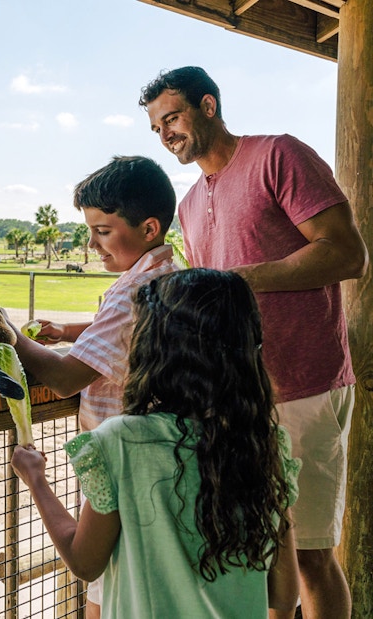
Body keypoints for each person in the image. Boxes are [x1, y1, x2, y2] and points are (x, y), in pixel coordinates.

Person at [139, 66, 369, 619]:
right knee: (262, 556)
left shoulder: (278, 156)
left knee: (311, 554)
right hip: (238, 398)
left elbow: (347, 254)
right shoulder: (191, 204)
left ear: (208, 105)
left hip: (305, 386)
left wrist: (241, 277)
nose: (165, 133)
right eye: (155, 127)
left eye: (172, 117)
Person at [12, 268, 302, 619]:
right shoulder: (265, 443)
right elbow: (284, 596)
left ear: (155, 349)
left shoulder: (121, 441)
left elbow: (84, 562)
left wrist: (36, 480)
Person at [9, 155, 178, 618]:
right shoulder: (172, 275)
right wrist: (68, 333)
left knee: (105, 593)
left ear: (148, 228)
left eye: (103, 231)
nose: (92, 244)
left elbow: (64, 380)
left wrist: (9, 336)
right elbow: (124, 329)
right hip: (161, 467)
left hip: (121, 465)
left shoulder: (130, 290)